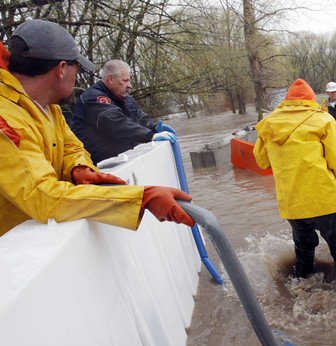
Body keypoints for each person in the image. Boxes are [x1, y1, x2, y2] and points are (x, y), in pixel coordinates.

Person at [0, 19, 194, 237]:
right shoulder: (5, 119)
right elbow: (42, 195)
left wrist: (80, 169)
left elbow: (73, 149)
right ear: (61, 69)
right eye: (77, 69)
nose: (76, 79)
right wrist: (141, 199)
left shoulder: (49, 107)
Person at [253, 79, 336, 294]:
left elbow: (262, 162)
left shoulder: (268, 124)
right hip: (324, 201)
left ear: (287, 101)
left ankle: (300, 292)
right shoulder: (323, 120)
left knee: (303, 249)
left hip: (291, 205)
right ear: (312, 99)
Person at [71, 59, 177, 164]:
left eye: (129, 81)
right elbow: (117, 124)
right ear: (110, 79)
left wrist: (154, 128)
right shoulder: (94, 98)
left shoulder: (125, 98)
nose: (129, 85)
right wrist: (150, 136)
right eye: (125, 81)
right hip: (96, 166)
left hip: (122, 160)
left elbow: (140, 118)